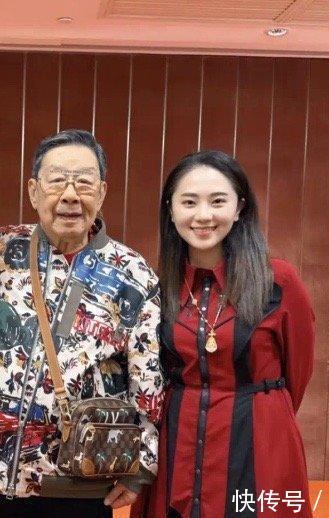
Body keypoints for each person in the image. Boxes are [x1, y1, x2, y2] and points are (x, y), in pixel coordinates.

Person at [0, 129, 165, 518]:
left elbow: (149, 379)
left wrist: (142, 466)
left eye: (84, 182)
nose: (71, 194)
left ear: (101, 193)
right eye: (57, 181)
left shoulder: (133, 274)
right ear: (34, 191)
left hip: (85, 475)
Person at [135, 150, 315, 518]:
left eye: (218, 201)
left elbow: (298, 375)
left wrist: (261, 410)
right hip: (178, 446)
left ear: (239, 208)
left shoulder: (278, 282)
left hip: (259, 443)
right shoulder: (159, 287)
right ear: (171, 210)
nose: (203, 215)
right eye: (189, 202)